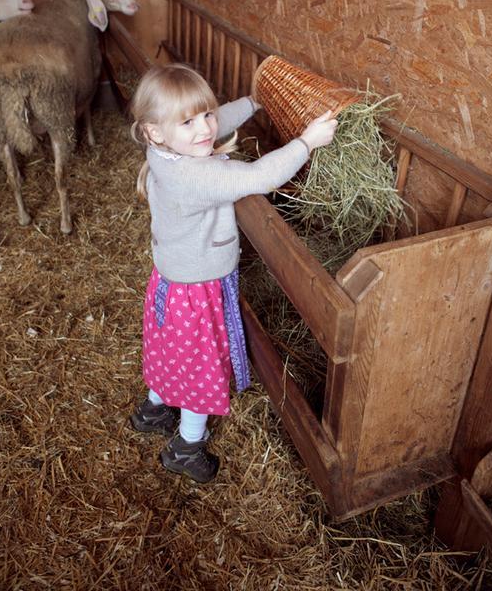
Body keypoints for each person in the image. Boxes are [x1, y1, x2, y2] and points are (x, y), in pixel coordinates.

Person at [129, 63, 337, 483]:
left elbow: (212, 120)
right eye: (188, 121)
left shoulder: (167, 149)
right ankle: (187, 446)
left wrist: (256, 102)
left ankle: (154, 409)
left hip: (173, 283)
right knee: (197, 366)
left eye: (205, 114)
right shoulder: (196, 176)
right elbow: (262, 176)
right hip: (197, 291)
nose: (205, 128)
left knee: (172, 351)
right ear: (154, 131)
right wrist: (306, 142)